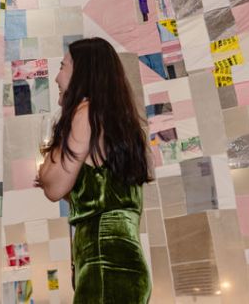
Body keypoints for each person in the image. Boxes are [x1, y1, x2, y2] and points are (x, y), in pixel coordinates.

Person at [35, 37, 151, 303]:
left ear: (82, 73)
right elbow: (95, 191)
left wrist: (47, 165)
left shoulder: (85, 113)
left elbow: (54, 187)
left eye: (63, 67)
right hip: (120, 263)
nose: (56, 78)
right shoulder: (118, 121)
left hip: (105, 264)